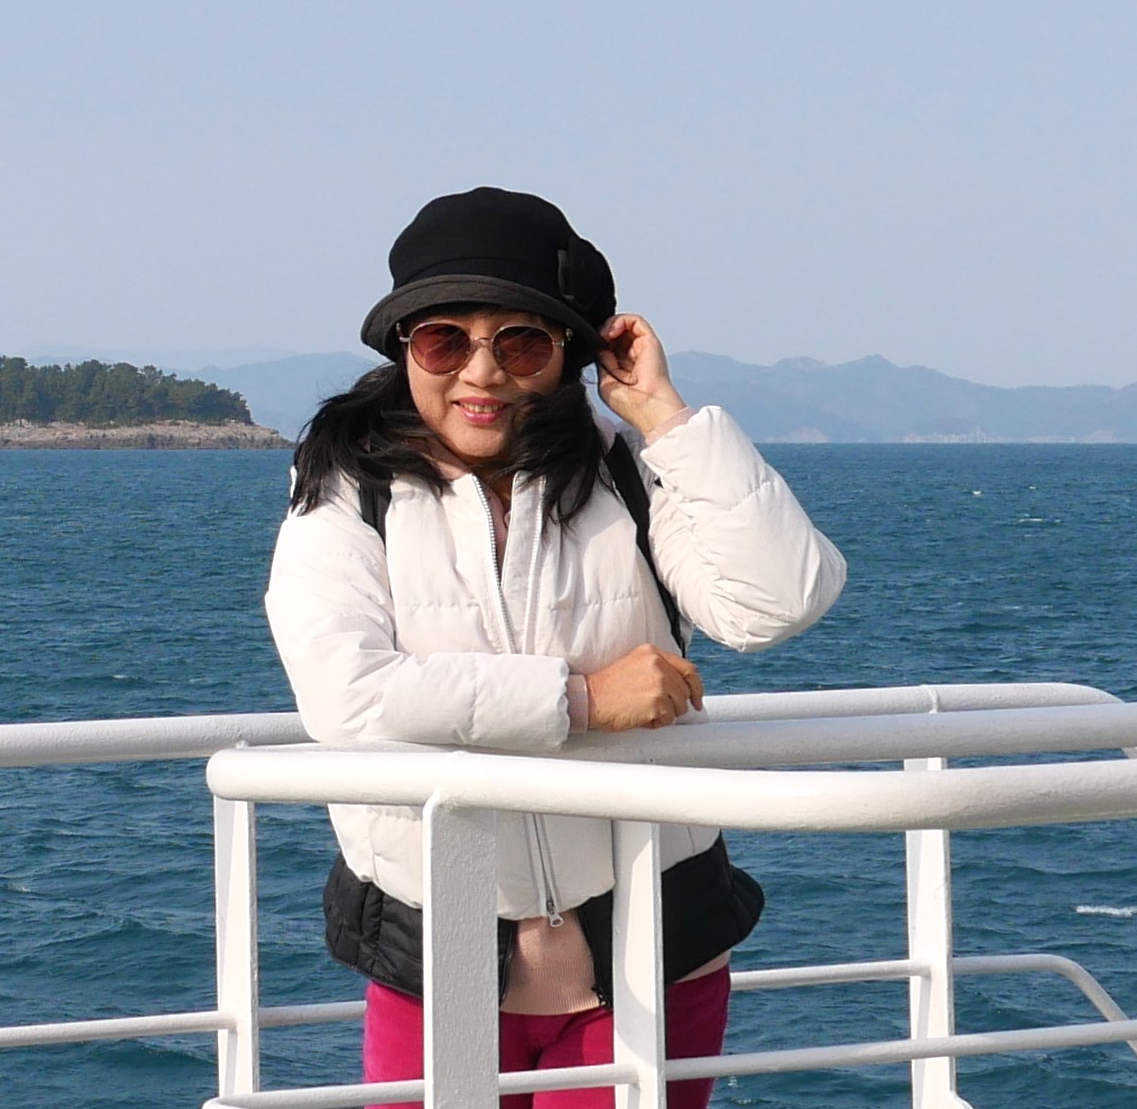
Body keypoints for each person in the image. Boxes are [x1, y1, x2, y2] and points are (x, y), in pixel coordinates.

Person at [264, 188, 847, 1109]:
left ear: (569, 352)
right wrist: (581, 700)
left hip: (653, 950)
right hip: (436, 953)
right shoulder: (348, 488)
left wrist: (666, 418)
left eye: (522, 342)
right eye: (445, 340)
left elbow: (780, 600)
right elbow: (347, 694)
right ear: (405, 347)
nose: (481, 372)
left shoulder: (624, 472)